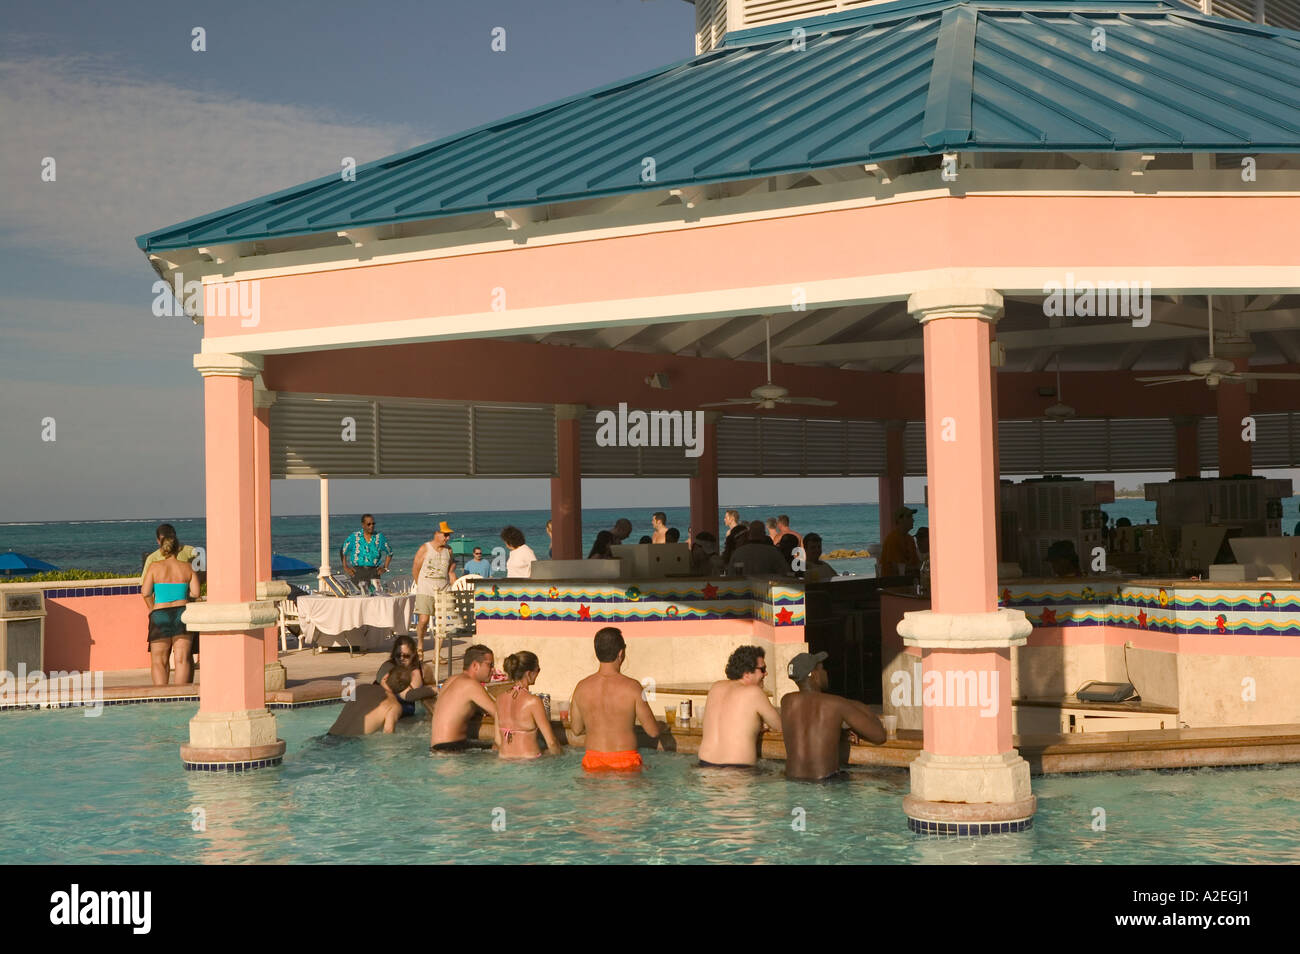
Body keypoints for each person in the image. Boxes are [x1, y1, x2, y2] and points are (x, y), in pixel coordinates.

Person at [781, 652, 885, 780]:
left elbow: (809, 727)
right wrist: (855, 705)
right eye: (822, 668)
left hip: (792, 781)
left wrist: (838, 731)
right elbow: (879, 736)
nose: (825, 672)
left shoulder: (786, 701)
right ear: (814, 675)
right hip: (825, 784)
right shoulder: (835, 703)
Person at [570, 627, 660, 771]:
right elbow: (653, 731)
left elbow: (576, 729)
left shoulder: (581, 687)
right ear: (621, 653)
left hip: (592, 761)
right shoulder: (633, 687)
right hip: (626, 761)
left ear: (597, 653)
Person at [330, 636, 435, 735]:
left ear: (414, 655)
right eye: (398, 655)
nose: (401, 658)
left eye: (406, 656)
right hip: (385, 717)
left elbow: (427, 700)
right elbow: (406, 695)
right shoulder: (388, 668)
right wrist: (436, 689)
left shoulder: (422, 671)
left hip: (403, 719)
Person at [697, 645, 782, 768]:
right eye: (762, 669)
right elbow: (779, 726)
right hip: (738, 774)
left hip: (705, 768)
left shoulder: (715, 687)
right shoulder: (754, 692)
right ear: (747, 673)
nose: (766, 673)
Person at [141, 526, 199, 686]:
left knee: (159, 661)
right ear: (177, 547)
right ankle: (180, 696)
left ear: (162, 547)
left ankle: (161, 696)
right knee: (182, 659)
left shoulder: (154, 567)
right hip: (182, 613)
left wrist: (152, 608)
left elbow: (145, 592)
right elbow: (195, 593)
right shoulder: (187, 567)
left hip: (160, 614)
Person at [496, 651, 564, 759]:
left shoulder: (499, 699)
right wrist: (561, 758)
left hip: (504, 760)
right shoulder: (533, 701)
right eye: (538, 670)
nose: (538, 673)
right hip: (528, 764)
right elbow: (551, 742)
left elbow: (498, 741)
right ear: (528, 674)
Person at [431, 644, 498, 752]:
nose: (493, 670)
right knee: (499, 750)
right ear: (475, 665)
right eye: (490, 665)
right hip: (452, 750)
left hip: (436, 748)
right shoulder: (471, 685)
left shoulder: (451, 680)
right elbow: (498, 713)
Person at [412, 521, 457, 657]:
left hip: (443, 589)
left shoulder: (448, 550)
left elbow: (449, 568)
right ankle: (420, 644)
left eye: (448, 535)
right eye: (445, 534)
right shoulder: (425, 548)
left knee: (442, 622)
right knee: (424, 620)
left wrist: (452, 579)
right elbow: (415, 568)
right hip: (425, 589)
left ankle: (437, 654)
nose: (447, 538)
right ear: (436, 534)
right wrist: (419, 584)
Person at [342, 514, 393, 593]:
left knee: (376, 599)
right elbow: (343, 550)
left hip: (374, 573)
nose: (371, 526)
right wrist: (345, 567)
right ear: (363, 525)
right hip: (357, 573)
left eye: (373, 524)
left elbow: (389, 552)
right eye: (369, 524)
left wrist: (385, 568)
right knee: (358, 599)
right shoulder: (354, 537)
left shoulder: (379, 537)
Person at [727, 520, 792, 577]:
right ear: (764, 534)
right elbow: (785, 572)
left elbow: (730, 575)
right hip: (766, 588)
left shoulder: (738, 553)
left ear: (749, 534)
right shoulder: (773, 552)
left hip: (744, 589)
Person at [879, 506, 921, 576]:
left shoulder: (910, 539)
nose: (913, 520)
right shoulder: (892, 539)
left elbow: (916, 563)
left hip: (909, 582)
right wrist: (917, 567)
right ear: (900, 520)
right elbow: (896, 568)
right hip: (892, 583)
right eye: (909, 517)